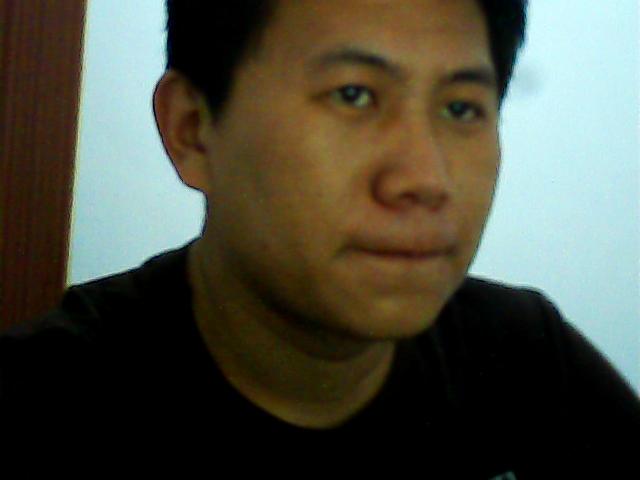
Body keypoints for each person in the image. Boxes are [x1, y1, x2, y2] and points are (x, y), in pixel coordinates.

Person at [1, 0, 638, 476]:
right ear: (193, 128)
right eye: (354, 96)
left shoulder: (525, 362)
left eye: (461, 108)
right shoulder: (45, 409)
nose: (424, 179)